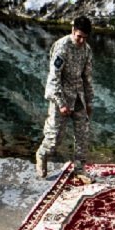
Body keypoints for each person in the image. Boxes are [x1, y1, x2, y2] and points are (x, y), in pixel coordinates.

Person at [35, 16, 94, 183]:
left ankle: (80, 168)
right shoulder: (62, 47)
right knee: (54, 138)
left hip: (78, 96)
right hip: (60, 95)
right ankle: (42, 154)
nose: (81, 40)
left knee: (82, 134)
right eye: (79, 36)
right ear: (73, 31)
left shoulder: (86, 50)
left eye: (84, 37)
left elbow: (87, 78)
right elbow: (54, 78)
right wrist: (61, 103)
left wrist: (89, 102)